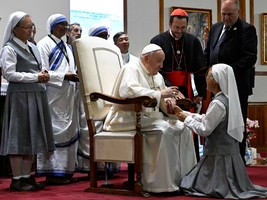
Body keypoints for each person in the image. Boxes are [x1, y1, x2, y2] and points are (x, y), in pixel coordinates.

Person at [103, 44, 196, 193]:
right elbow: (127, 91)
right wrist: (161, 95)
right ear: (146, 58)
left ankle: (183, 180)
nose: (161, 66)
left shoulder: (157, 75)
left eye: (162, 62)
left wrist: (170, 102)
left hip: (148, 118)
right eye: (159, 61)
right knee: (164, 129)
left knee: (183, 127)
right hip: (125, 117)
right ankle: (159, 185)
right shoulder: (131, 69)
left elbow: (161, 98)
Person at [175, 64, 267, 199]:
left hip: (218, 157)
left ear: (217, 80)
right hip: (228, 154)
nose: (206, 78)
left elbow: (204, 129)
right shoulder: (227, 100)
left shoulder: (218, 103)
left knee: (188, 185)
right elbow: (207, 119)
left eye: (208, 75)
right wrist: (187, 114)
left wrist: (185, 119)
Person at [0, 11, 55, 191]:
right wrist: (35, 77)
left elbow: (39, 68)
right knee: (19, 137)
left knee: (32, 136)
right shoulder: (9, 48)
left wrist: (44, 74)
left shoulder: (32, 46)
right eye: (27, 27)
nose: (31, 30)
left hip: (36, 95)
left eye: (32, 26)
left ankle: (27, 176)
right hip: (20, 97)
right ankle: (17, 179)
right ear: (15, 29)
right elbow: (9, 74)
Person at [204, 0, 258, 164]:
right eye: (223, 14)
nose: (226, 17)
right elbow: (208, 52)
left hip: (237, 86)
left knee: (236, 123)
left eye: (230, 14)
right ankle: (218, 161)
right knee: (218, 123)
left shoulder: (247, 30)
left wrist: (224, 73)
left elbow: (249, 58)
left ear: (238, 12)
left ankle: (238, 162)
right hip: (216, 86)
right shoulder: (216, 28)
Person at [150, 8, 207, 160]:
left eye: (183, 28)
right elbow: (155, 71)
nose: (179, 31)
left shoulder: (192, 41)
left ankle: (190, 160)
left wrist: (200, 93)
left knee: (188, 123)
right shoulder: (158, 41)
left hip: (186, 90)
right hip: (164, 88)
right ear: (170, 24)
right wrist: (169, 89)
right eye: (176, 28)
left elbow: (200, 69)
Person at [36, 14, 79, 185]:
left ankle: (66, 170)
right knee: (54, 132)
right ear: (52, 26)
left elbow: (72, 68)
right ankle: (51, 172)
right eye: (61, 24)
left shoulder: (67, 47)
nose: (64, 27)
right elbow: (43, 72)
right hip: (52, 95)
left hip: (68, 95)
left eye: (65, 24)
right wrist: (65, 76)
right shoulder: (43, 45)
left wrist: (72, 76)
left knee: (68, 130)